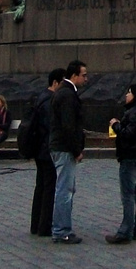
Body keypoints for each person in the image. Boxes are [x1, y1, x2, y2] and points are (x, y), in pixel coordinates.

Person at [105, 84, 136, 245]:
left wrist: (116, 125)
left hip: (129, 156)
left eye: (129, 92)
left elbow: (128, 134)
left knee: (128, 196)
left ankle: (125, 231)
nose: (126, 95)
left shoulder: (133, 113)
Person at [49, 61, 88, 244]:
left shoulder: (64, 92)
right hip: (64, 148)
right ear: (74, 75)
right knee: (65, 190)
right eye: (84, 75)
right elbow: (68, 126)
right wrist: (76, 149)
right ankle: (61, 230)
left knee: (66, 189)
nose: (86, 79)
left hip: (61, 146)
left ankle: (62, 228)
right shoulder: (67, 95)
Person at [28, 70, 61, 238]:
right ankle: (44, 226)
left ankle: (36, 224)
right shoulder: (49, 101)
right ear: (55, 83)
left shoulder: (41, 97)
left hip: (39, 148)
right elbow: (50, 126)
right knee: (48, 188)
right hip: (47, 149)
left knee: (40, 187)